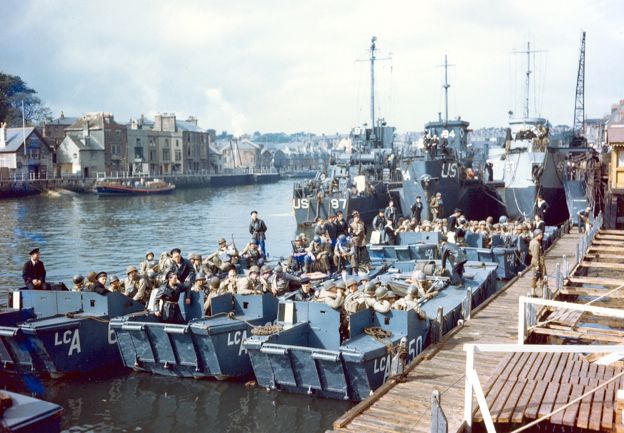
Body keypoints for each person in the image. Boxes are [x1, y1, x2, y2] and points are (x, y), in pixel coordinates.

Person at [529, 229, 546, 297]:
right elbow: (536, 255)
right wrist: (537, 265)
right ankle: (543, 293)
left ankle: (532, 292)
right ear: (536, 235)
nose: (542, 236)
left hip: (533, 261)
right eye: (540, 235)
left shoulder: (531, 241)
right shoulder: (537, 243)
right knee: (543, 277)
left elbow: (530, 252)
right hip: (539, 262)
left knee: (534, 277)